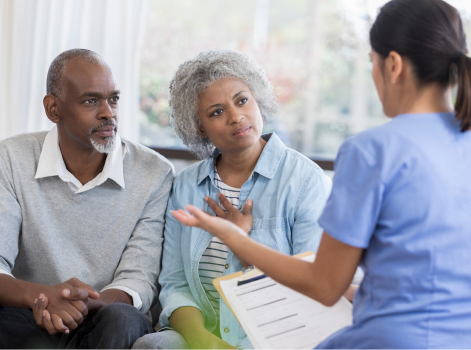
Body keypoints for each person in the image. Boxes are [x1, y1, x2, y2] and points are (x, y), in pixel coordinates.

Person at [170, 0, 471, 349]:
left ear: (393, 65)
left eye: (371, 63)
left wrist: (235, 239)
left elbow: (325, 286)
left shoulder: (371, 151)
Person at [132, 49, 333, 350]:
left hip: (274, 338)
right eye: (216, 112)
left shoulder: (306, 181)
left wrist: (243, 244)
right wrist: (204, 342)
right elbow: (175, 284)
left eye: (242, 100)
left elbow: (311, 288)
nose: (236, 116)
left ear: (258, 99)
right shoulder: (186, 186)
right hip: (203, 336)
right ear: (199, 127)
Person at [0, 49, 175, 350]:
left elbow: (138, 279)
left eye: (114, 99)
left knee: (124, 318)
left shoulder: (154, 173)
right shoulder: (11, 159)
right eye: (91, 101)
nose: (108, 112)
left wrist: (81, 305)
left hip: (105, 318)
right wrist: (42, 297)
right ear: (53, 109)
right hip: (32, 314)